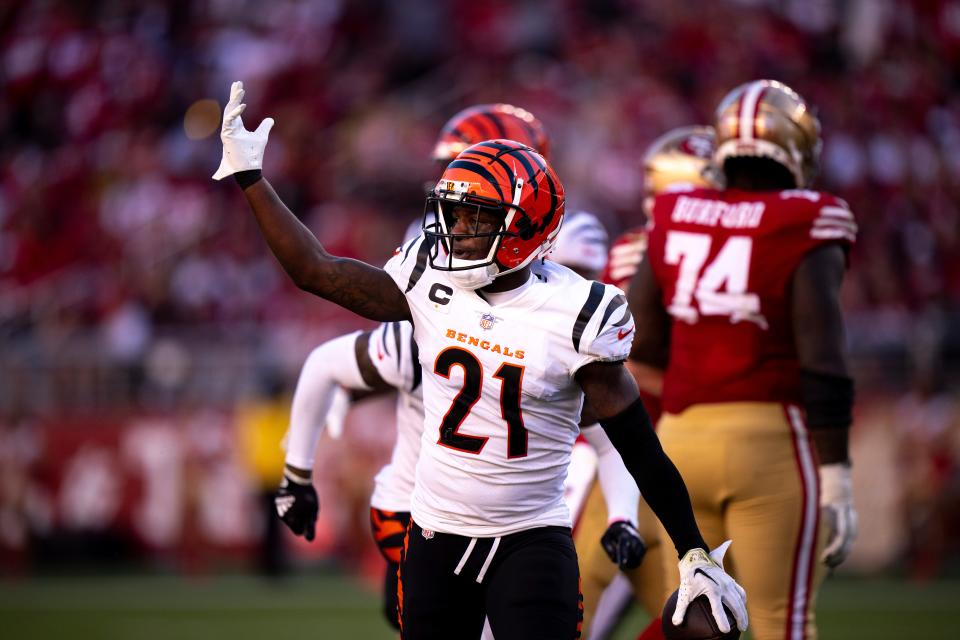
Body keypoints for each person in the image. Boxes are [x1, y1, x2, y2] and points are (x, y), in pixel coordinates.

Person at [213, 80, 747, 640]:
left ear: (524, 225)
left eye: (474, 217)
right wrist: (251, 178)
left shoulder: (575, 309)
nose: (455, 230)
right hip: (433, 537)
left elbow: (638, 443)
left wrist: (693, 550)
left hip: (530, 538)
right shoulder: (428, 276)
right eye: (451, 212)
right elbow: (316, 271)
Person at [274, 102, 565, 633]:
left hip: (482, 502)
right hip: (434, 510)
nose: (456, 198)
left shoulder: (553, 282)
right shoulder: (440, 270)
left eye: (475, 192)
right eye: (451, 173)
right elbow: (364, 333)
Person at [627, 79, 858, 640]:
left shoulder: (678, 209)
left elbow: (640, 339)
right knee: (783, 623)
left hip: (679, 443)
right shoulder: (807, 216)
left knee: (686, 623)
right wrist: (837, 476)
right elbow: (822, 356)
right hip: (769, 440)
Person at [579, 126, 718, 640]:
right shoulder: (659, 249)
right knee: (698, 611)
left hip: (629, 446)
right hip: (663, 443)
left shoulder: (635, 247)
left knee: (577, 606)